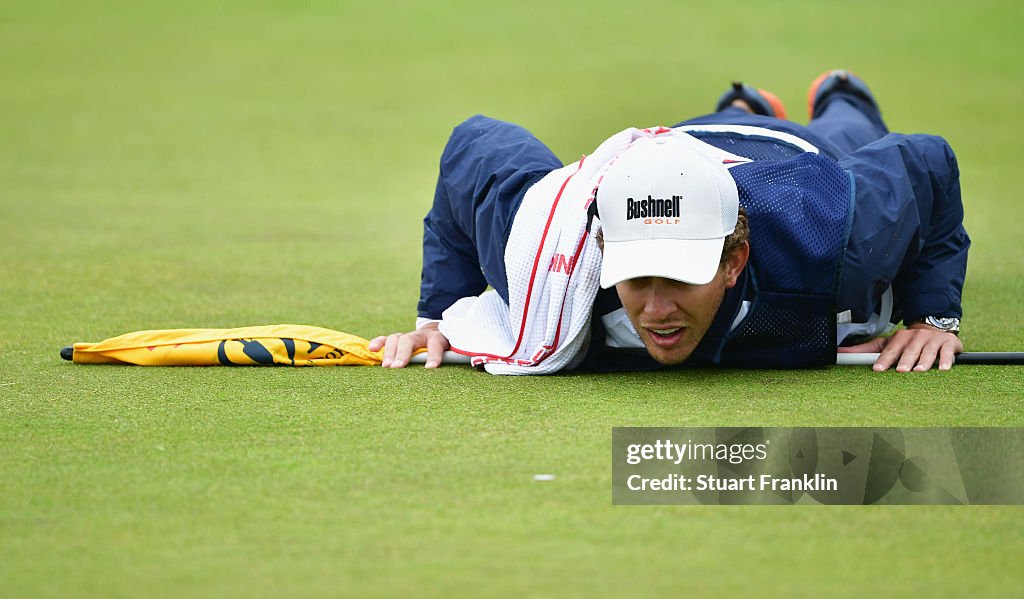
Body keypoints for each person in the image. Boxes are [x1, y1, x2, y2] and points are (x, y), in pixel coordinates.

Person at [369, 70, 969, 374]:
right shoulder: (550, 251)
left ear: (733, 260)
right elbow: (472, 145)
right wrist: (436, 316)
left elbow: (927, 161)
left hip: (788, 156)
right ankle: (739, 104)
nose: (655, 310)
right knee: (718, 120)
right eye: (637, 276)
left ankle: (839, 94)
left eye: (679, 278)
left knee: (845, 130)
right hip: (680, 146)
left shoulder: (835, 235)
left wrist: (931, 316)